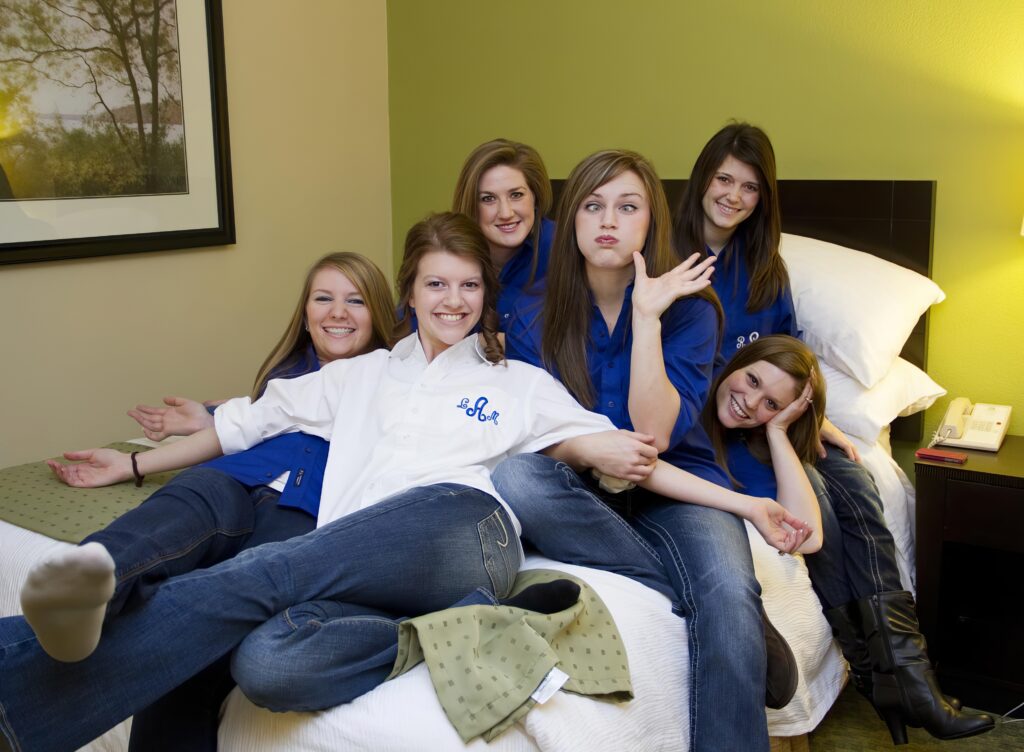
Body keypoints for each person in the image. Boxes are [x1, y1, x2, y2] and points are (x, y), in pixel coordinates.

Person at [1, 212, 639, 752]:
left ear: (484, 295)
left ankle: (14, 698)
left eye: (469, 285)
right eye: (436, 283)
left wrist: (728, 497)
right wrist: (134, 462)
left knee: (267, 570)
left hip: (463, 532)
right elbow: (245, 423)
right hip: (356, 566)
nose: (454, 300)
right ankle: (432, 635)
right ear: (409, 294)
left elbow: (608, 447)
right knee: (267, 664)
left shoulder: (516, 383)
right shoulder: (359, 376)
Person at [675, 122, 994, 744]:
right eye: (724, 180)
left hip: (764, 417)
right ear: (702, 179)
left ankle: (903, 674)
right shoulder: (663, 256)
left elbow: (793, 361)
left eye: (750, 187)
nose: (734, 196)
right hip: (704, 429)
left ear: (764, 197)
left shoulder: (764, 270)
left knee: (853, 476)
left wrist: (814, 423)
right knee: (821, 502)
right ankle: (891, 680)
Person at [493, 149, 811, 752]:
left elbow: (656, 431)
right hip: (584, 486)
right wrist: (591, 451)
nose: (608, 220)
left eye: (627, 206)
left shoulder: (695, 309)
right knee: (517, 477)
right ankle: (694, 594)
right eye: (592, 205)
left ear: (650, 223)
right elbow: (533, 435)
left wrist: (646, 316)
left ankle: (721, 602)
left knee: (724, 583)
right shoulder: (537, 313)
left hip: (678, 482)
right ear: (573, 220)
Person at [35, 252, 397, 751]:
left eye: (355, 300)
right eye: (324, 298)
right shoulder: (286, 376)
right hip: (230, 480)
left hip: (304, 510)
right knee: (168, 520)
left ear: (379, 312)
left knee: (202, 618)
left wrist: (206, 418)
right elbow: (243, 423)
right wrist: (134, 462)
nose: (338, 312)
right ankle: (86, 579)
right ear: (305, 312)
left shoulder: (395, 377)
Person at [451, 138, 554, 325]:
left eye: (516, 195)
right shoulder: (448, 250)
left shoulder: (564, 249)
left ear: (535, 197)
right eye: (488, 198)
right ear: (472, 206)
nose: (506, 213)